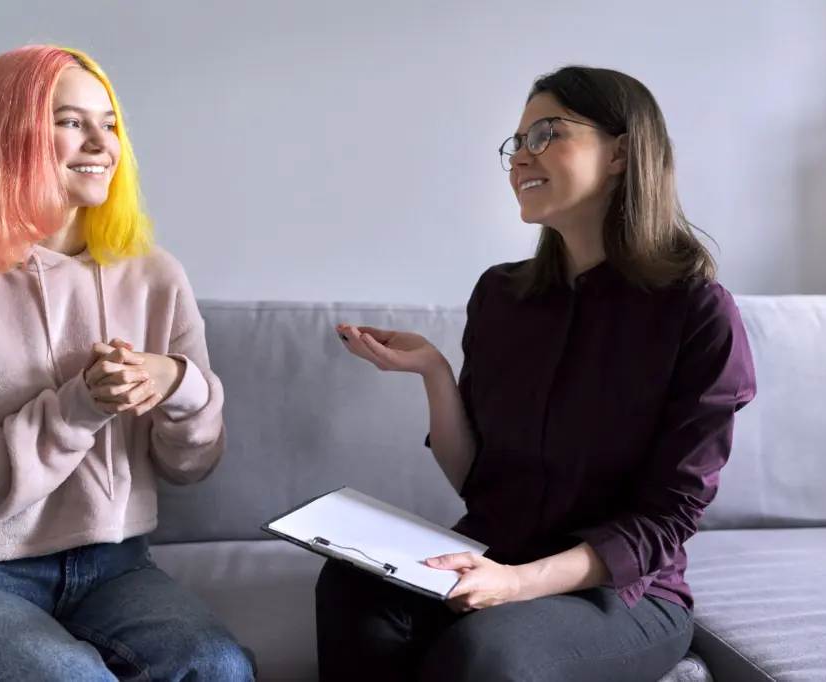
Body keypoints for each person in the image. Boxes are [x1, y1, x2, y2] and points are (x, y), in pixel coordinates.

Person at [317, 65, 757, 682]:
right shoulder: (502, 296)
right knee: (351, 583)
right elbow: (479, 483)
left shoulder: (698, 313)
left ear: (621, 153)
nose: (520, 157)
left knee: (486, 651)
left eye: (546, 133)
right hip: (496, 554)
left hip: (621, 596)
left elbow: (666, 518)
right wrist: (435, 373)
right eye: (516, 143)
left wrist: (518, 583)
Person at [0, 45, 254, 681]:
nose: (101, 143)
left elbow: (191, 466)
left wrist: (179, 386)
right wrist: (78, 407)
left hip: (117, 566)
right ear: (12, 136)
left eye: (109, 123)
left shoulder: (155, 276)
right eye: (70, 121)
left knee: (218, 666)